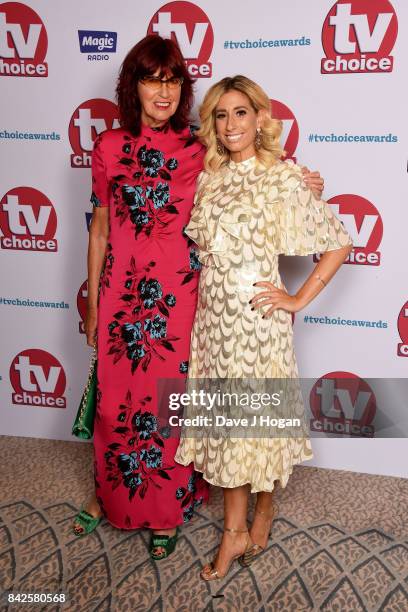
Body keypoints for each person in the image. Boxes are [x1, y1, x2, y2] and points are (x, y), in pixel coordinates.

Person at [73, 36, 324, 560]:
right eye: (151, 79)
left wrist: (304, 181)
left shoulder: (197, 150)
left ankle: (166, 509)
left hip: (181, 298)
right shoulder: (107, 149)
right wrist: (94, 303)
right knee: (117, 401)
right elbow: (98, 231)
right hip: (121, 291)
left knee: (173, 404)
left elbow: (252, 173)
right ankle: (111, 498)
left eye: (172, 81)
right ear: (132, 87)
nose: (163, 92)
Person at [174, 75, 353, 580]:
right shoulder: (207, 177)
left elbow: (338, 243)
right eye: (221, 115)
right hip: (212, 323)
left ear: (259, 119)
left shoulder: (282, 176)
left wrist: (296, 298)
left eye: (241, 113)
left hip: (257, 323)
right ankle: (240, 524)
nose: (231, 124)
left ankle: (256, 516)